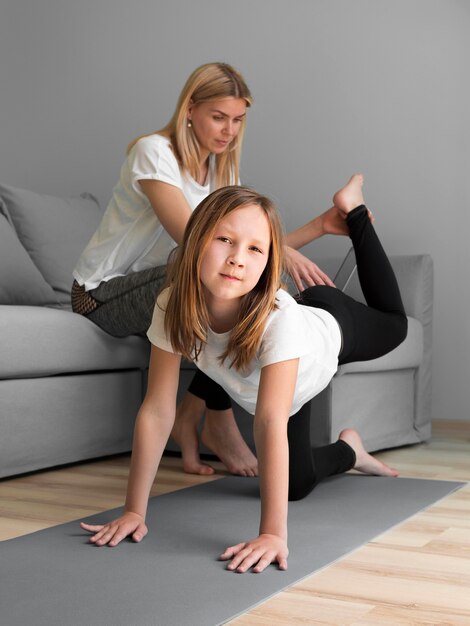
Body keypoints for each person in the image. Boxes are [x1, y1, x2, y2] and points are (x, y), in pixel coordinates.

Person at [80, 174, 408, 574]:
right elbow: (156, 409)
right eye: (224, 240)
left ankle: (354, 210)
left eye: (256, 249)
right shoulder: (171, 304)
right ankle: (351, 451)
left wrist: (272, 534)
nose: (238, 257)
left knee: (396, 325)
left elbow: (270, 421)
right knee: (296, 485)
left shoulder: (279, 319)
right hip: (285, 385)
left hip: (329, 330)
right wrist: (134, 510)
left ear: (269, 261)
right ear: (196, 239)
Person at [71, 61, 347, 478]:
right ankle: (216, 420)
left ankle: (194, 417)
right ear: (189, 110)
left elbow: (238, 252)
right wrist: (281, 254)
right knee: (203, 276)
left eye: (238, 120)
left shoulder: (222, 170)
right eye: (218, 117)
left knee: (245, 285)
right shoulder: (153, 152)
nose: (228, 130)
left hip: (159, 281)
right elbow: (196, 242)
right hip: (100, 294)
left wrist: (317, 229)